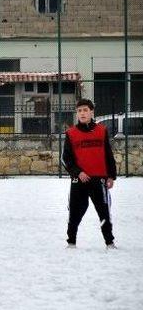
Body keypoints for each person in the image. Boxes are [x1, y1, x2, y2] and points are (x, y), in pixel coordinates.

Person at [62, 98, 117, 250]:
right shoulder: (71, 133)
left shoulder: (101, 131)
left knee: (104, 212)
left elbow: (108, 154)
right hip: (79, 180)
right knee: (74, 212)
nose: (82, 113)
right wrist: (78, 173)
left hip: (99, 179)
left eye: (85, 110)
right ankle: (71, 242)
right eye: (79, 111)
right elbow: (65, 159)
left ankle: (109, 242)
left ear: (92, 112)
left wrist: (111, 175)